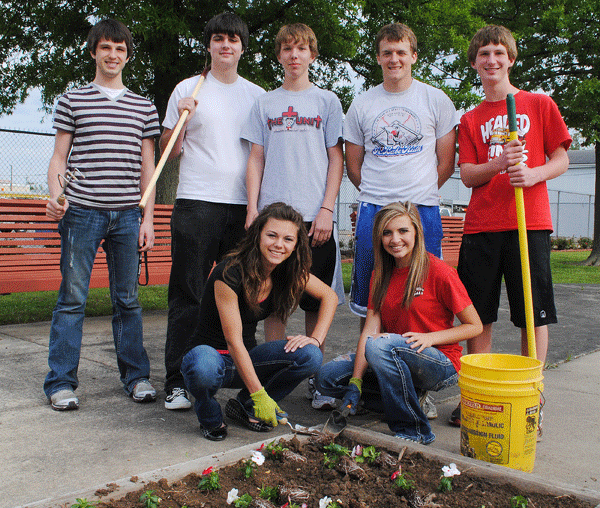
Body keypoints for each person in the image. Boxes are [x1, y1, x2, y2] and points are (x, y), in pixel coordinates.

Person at [452, 25, 571, 428]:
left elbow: (561, 157)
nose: (491, 60)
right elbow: (468, 175)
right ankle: (478, 396)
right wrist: (500, 163)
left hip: (528, 224)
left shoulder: (538, 104)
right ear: (474, 63)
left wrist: (534, 175)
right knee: (478, 315)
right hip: (481, 228)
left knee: (532, 316)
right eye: (484, 53)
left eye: (499, 53)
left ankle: (531, 398)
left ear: (511, 59)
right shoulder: (470, 119)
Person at [43, 19, 160, 410]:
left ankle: (136, 377)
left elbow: (149, 167)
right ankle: (60, 382)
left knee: (127, 300)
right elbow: (59, 157)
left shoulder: (143, 105)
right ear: (93, 51)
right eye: (106, 47)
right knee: (72, 298)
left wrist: (148, 219)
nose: (113, 55)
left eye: (120, 49)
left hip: (128, 214)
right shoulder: (72, 100)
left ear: (128, 55)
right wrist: (57, 195)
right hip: (82, 213)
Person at [161, 12, 265, 410]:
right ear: (209, 45)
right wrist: (181, 121)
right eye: (219, 39)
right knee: (188, 291)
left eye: (233, 39)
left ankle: (243, 377)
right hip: (197, 202)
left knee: (244, 291)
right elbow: (168, 149)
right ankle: (177, 380)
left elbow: (261, 152)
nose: (226, 45)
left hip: (243, 207)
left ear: (242, 46)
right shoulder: (189, 88)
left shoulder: (256, 95)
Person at [315, 202, 482, 444]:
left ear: (416, 232)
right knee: (326, 378)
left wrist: (430, 338)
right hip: (392, 354)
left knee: (380, 345)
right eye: (387, 232)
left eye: (403, 231)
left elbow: (474, 326)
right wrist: (356, 380)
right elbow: (369, 332)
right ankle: (412, 399)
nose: (395, 239)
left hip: (438, 361)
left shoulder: (439, 271)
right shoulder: (380, 274)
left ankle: (413, 429)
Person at [241, 23, 344, 409]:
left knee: (314, 302)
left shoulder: (327, 102)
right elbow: (256, 157)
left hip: (314, 218)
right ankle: (273, 377)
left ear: (312, 55)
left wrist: (327, 209)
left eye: (301, 49)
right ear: (279, 55)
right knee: (275, 301)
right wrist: (253, 208)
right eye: (287, 48)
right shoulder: (265, 103)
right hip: (273, 219)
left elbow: (337, 157)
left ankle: (315, 380)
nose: (294, 55)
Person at [180, 202, 338, 441]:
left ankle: (244, 405)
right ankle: (209, 413)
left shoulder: (288, 271)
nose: (278, 244)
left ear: (296, 245)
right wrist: (260, 394)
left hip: (246, 359)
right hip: (212, 358)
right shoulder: (230, 272)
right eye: (271, 235)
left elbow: (330, 296)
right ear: (257, 236)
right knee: (203, 368)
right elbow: (233, 342)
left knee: (310, 356)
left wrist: (315, 338)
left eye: (288, 239)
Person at [344, 23, 458, 333]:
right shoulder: (362, 104)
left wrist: (419, 192)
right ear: (378, 58)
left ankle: (418, 364)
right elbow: (353, 165)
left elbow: (446, 161)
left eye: (401, 52)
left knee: (424, 292)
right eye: (387, 53)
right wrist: (378, 193)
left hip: (423, 208)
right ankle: (369, 366)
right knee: (373, 297)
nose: (395, 59)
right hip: (375, 208)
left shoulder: (435, 99)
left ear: (414, 56)